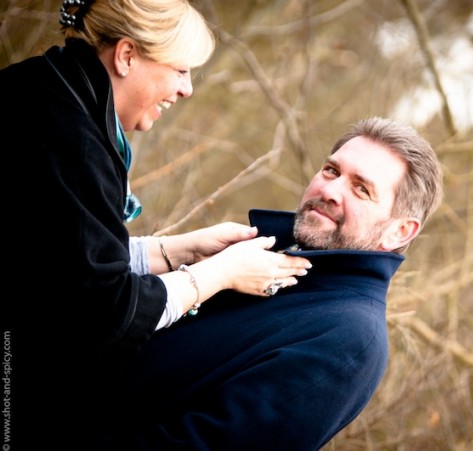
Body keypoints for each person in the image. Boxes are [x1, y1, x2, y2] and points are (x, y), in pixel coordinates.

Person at [0, 0, 310, 446]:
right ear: (127, 56)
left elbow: (53, 258)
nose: (187, 89)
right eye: (181, 70)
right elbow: (105, 314)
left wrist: (174, 250)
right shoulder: (72, 138)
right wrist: (217, 275)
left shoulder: (45, 88)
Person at [95, 116, 444, 450]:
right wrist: (176, 255)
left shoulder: (351, 341)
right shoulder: (252, 259)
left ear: (400, 230)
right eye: (331, 170)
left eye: (361, 189)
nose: (331, 190)